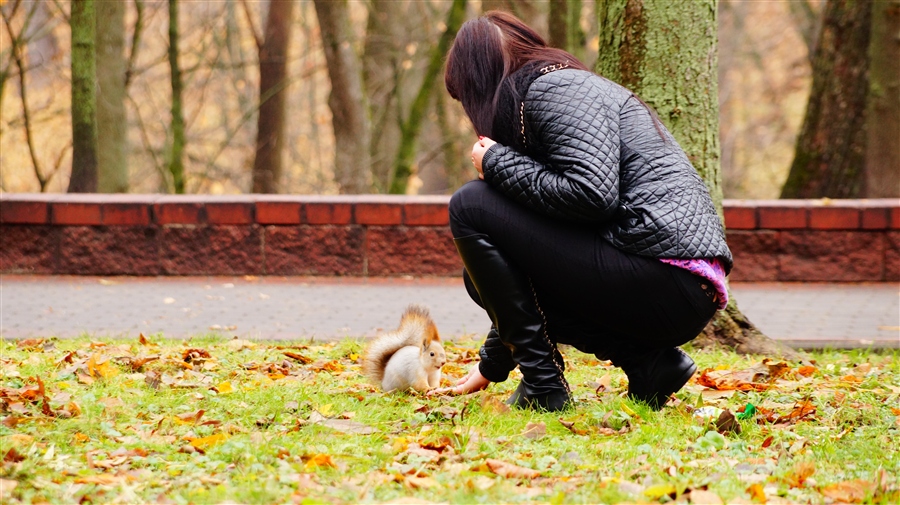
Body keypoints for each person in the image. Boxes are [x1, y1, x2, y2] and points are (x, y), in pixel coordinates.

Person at [428, 11, 733, 412]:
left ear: (481, 81)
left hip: (668, 277)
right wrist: (490, 367)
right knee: (479, 276)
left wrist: (497, 162)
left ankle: (544, 388)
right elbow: (522, 273)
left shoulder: (554, 89)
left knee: (469, 205)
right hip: (664, 282)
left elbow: (591, 195)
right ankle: (650, 364)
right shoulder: (553, 92)